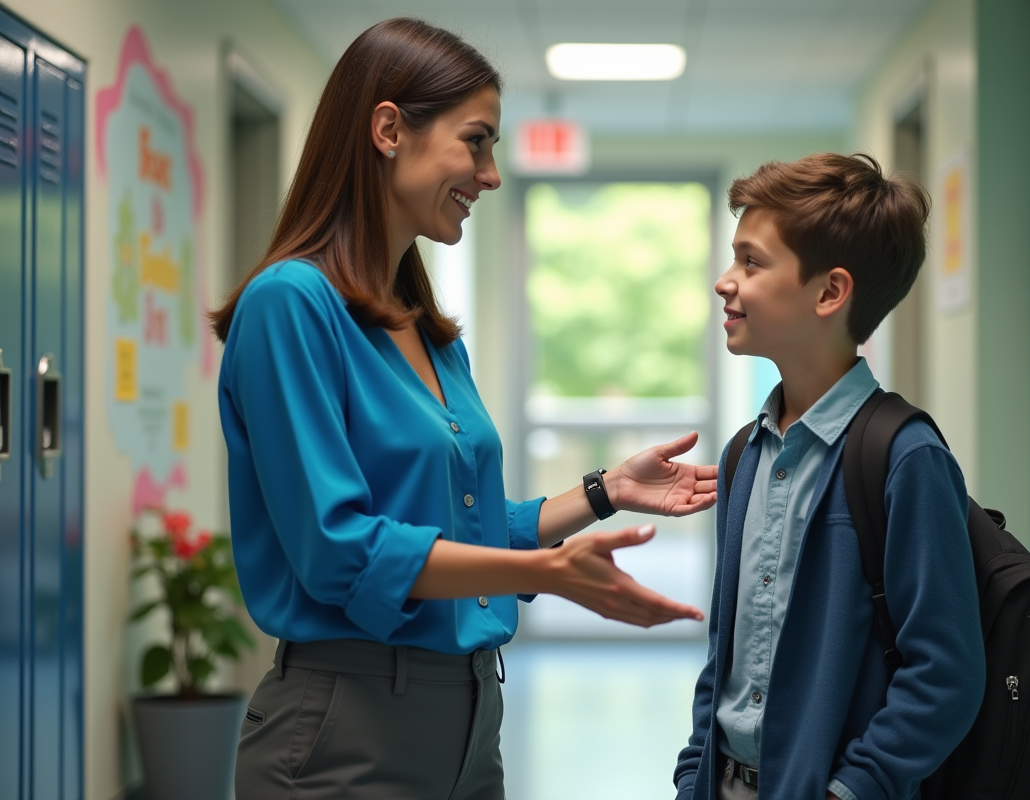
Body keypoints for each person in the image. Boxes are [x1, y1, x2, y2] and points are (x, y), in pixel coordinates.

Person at [210, 18, 716, 800]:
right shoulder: (291, 305)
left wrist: (602, 492)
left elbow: (461, 528)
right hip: (347, 728)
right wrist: (545, 574)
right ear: (388, 130)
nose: (491, 174)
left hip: (472, 722)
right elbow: (338, 549)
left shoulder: (426, 328)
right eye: (475, 143)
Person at [673, 153, 986, 800]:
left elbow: (946, 675)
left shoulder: (904, 458)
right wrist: (692, 774)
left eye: (752, 262)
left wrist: (852, 790)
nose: (725, 282)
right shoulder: (744, 455)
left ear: (829, 292)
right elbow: (724, 656)